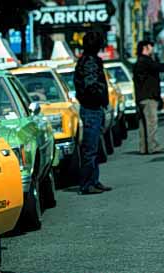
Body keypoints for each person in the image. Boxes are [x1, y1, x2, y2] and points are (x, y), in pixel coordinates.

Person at [74, 32, 112, 195]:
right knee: (90, 149)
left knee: (93, 148)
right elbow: (91, 85)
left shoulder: (88, 60)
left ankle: (94, 181)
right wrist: (100, 97)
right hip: (91, 109)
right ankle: (87, 184)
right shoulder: (89, 61)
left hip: (93, 108)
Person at [133, 40, 164, 154]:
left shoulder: (139, 62)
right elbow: (159, 67)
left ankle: (144, 148)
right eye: (151, 46)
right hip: (148, 97)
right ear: (145, 47)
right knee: (151, 122)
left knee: (143, 124)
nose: (152, 49)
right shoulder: (146, 61)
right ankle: (153, 146)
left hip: (141, 97)